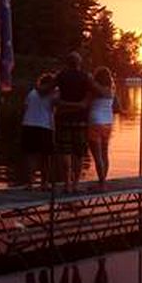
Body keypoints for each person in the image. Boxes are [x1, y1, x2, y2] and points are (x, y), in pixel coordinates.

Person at [54, 50, 94, 192]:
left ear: (67, 63)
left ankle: (66, 184)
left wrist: (63, 104)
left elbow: (50, 93)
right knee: (79, 153)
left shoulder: (61, 76)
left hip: (63, 119)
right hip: (81, 120)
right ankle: (76, 183)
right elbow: (91, 96)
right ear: (79, 63)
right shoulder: (86, 77)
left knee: (65, 152)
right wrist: (79, 105)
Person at [20, 72, 58, 188]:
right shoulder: (53, 94)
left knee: (30, 156)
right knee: (45, 157)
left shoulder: (32, 93)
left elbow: (25, 108)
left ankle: (29, 183)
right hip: (44, 127)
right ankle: (44, 183)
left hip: (28, 125)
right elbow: (56, 107)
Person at [86, 66, 116, 187]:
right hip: (108, 123)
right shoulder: (112, 90)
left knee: (97, 156)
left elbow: (87, 103)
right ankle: (103, 180)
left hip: (95, 122)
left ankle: (102, 183)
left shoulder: (94, 90)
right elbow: (116, 106)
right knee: (104, 153)